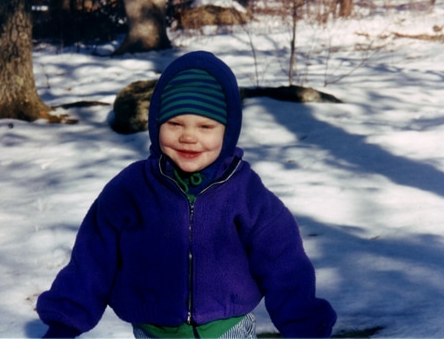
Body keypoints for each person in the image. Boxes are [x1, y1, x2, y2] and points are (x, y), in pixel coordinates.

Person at [36, 50, 337, 338]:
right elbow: (92, 257)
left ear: (227, 131)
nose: (189, 136)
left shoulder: (245, 192)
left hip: (227, 330)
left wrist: (303, 325)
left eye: (206, 126)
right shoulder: (131, 189)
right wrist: (65, 322)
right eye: (175, 123)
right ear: (156, 125)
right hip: (153, 331)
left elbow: (283, 260)